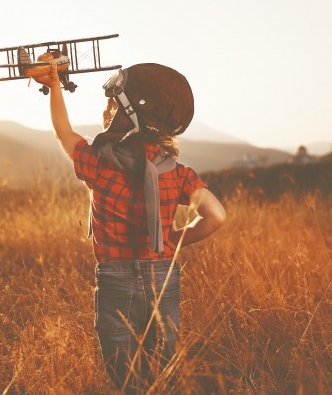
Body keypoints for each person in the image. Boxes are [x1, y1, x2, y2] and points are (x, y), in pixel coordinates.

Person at [30, 53, 226, 393]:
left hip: (115, 279)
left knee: (126, 376)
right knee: (164, 371)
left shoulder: (99, 163)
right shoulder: (178, 173)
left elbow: (64, 132)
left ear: (125, 114)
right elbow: (216, 215)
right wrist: (174, 239)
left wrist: (55, 86)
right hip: (163, 277)